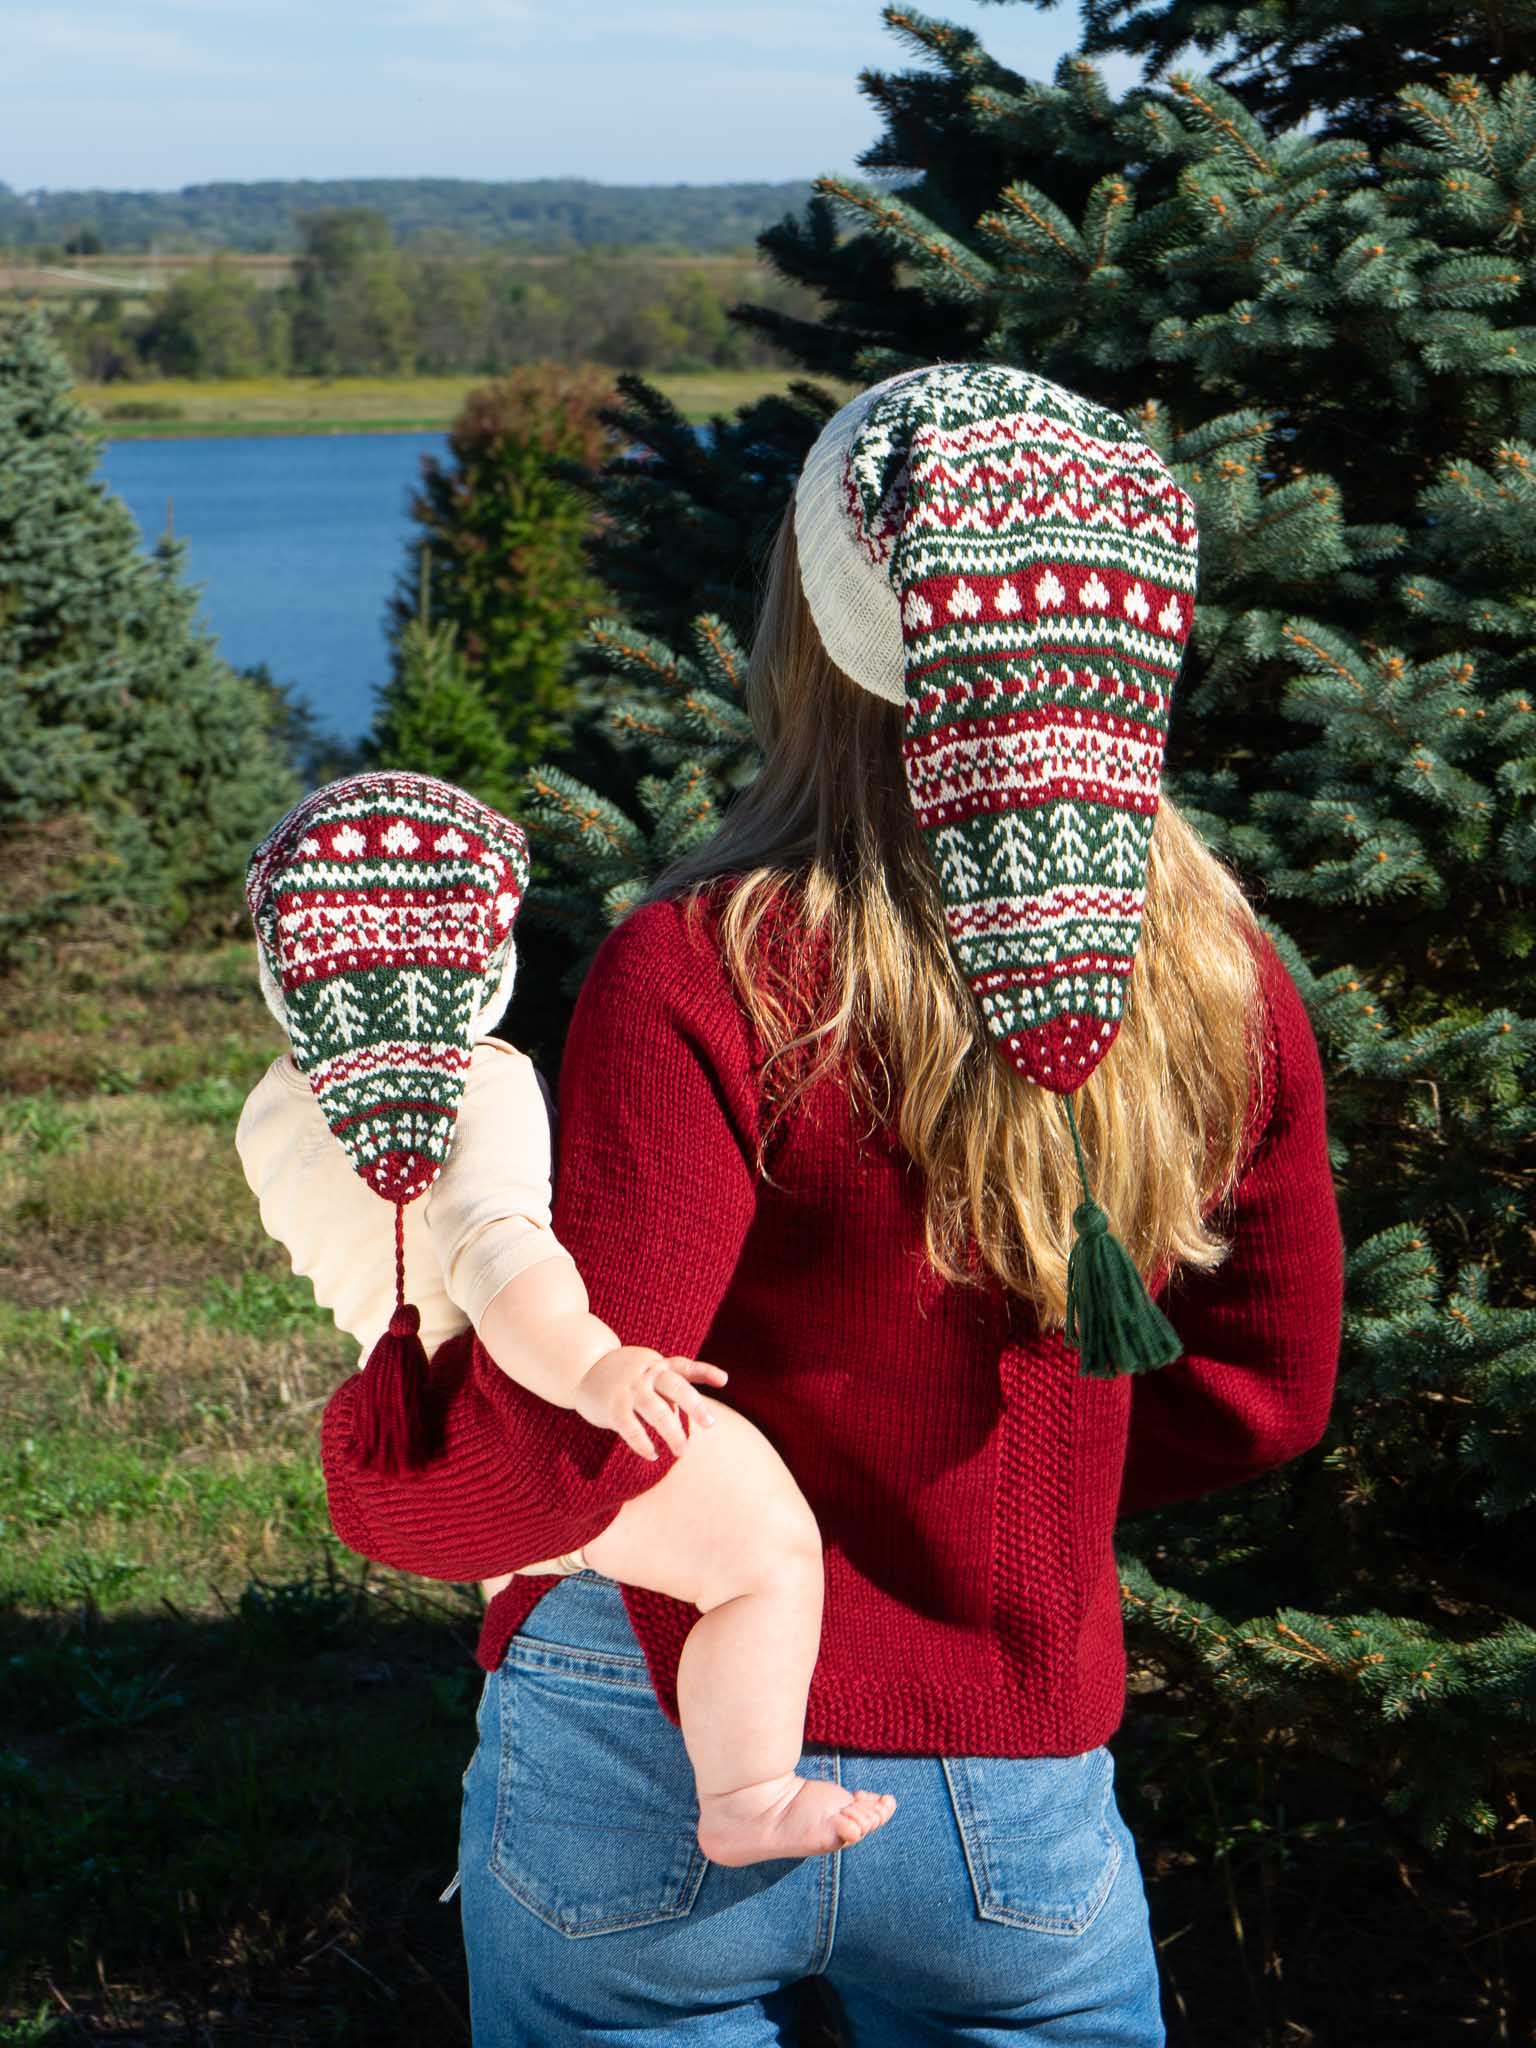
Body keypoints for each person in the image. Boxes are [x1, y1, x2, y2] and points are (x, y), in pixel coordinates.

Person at [316, 362, 1346, 2047]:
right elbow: (1262, 1394)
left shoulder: (705, 963)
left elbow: (595, 1424)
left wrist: (387, 1472)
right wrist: (991, 1498)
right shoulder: (1218, 983)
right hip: (1004, 1751)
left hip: (645, 1730)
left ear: (809, 627)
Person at [236, 769, 898, 1867]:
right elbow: (500, 1258)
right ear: (486, 966)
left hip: (408, 1432)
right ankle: (748, 1793)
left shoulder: (269, 1112)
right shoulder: (482, 1084)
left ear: (281, 972)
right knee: (769, 1553)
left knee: (562, 1547)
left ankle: (536, 1608)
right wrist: (596, 1370)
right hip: (525, 1399)